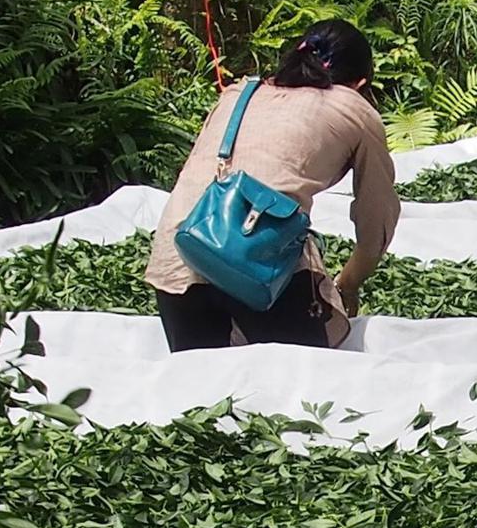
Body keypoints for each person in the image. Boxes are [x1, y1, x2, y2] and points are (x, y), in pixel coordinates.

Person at [150, 19, 399, 349]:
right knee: (303, 384)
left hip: (178, 254)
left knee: (202, 389)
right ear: (360, 83)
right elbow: (376, 223)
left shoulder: (239, 92)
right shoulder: (355, 108)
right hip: (257, 262)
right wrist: (348, 283)